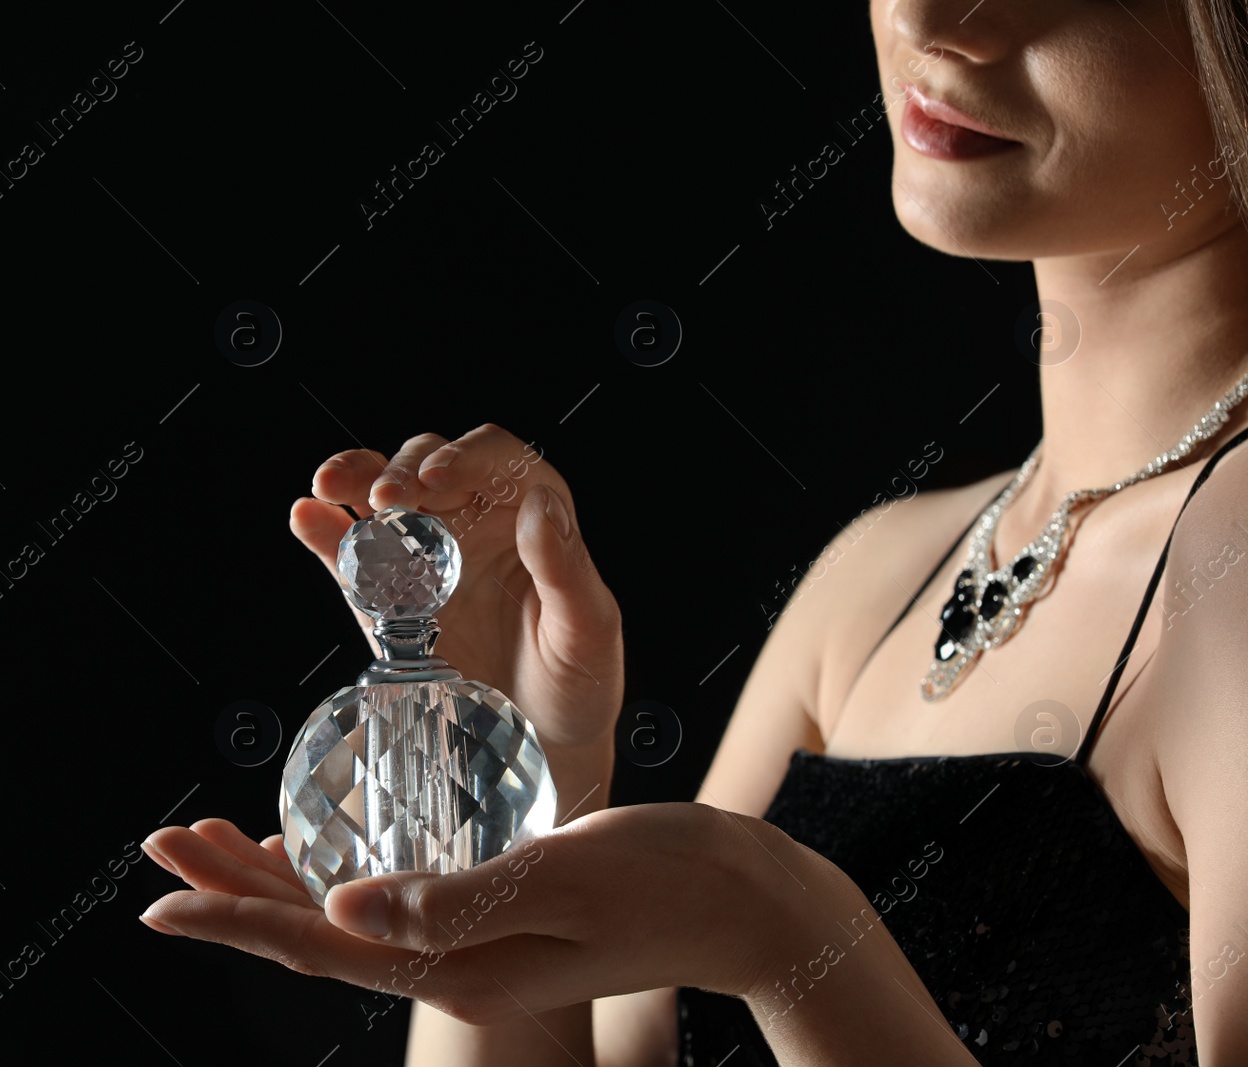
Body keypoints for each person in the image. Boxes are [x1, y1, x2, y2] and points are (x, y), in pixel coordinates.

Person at [136, 0, 1248, 1062]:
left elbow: (765, 930)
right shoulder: (884, 569)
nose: (928, 21)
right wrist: (528, 798)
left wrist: (786, 933)